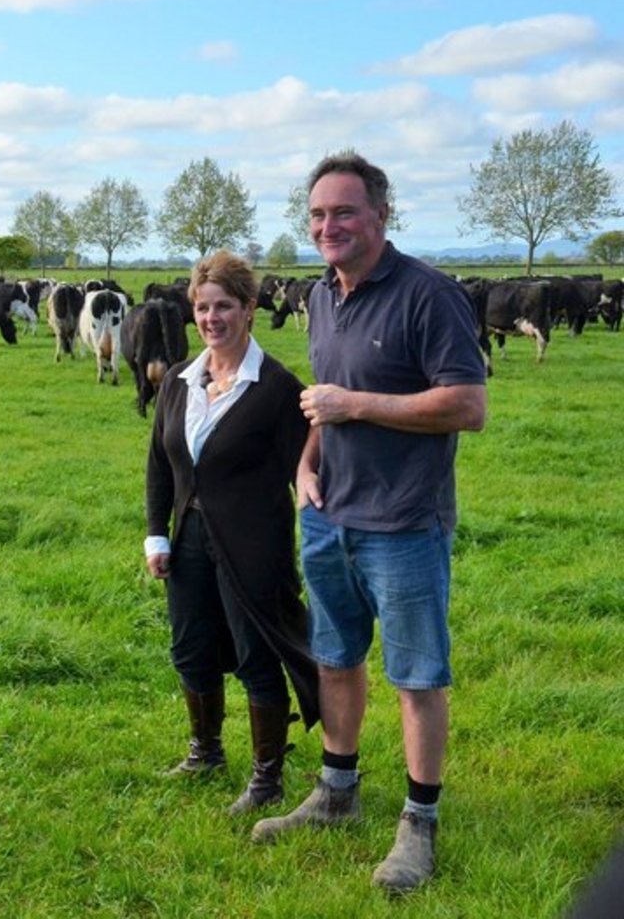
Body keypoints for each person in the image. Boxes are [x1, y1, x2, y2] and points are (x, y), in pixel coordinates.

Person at [250, 154, 487, 896]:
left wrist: (358, 406)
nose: (328, 226)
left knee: (416, 678)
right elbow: (325, 398)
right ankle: (337, 793)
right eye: (318, 215)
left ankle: (420, 824)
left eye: (344, 212)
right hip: (330, 518)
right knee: (334, 658)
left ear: (382, 215)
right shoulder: (322, 295)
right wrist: (307, 465)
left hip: (405, 524)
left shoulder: (429, 295)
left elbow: (466, 406)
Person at [144, 249, 320, 815]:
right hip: (188, 543)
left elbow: (306, 475)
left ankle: (267, 777)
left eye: (224, 306)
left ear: (248, 309)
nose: (211, 317)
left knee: (255, 655)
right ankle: (205, 752)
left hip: (253, 549)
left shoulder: (275, 389)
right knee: (190, 646)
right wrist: (157, 535)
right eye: (202, 307)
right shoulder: (178, 381)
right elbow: (159, 464)